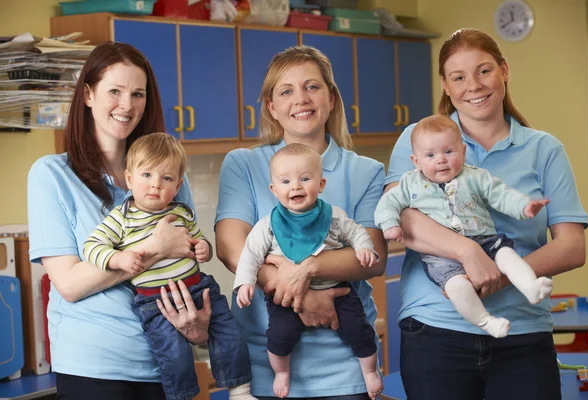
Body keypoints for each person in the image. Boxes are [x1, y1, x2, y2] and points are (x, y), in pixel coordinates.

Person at [385, 29, 588, 400]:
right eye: (458, 77)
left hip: (523, 333)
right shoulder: (418, 140)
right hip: (435, 327)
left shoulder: (544, 149)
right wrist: (469, 254)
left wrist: (503, 276)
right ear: (446, 86)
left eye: (484, 71)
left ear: (504, 71)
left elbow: (573, 247)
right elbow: (403, 219)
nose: (473, 86)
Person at [27, 42, 211, 400]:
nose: (127, 106)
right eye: (115, 91)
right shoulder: (51, 175)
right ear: (88, 95)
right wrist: (155, 248)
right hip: (93, 366)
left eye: (138, 94)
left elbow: (187, 262)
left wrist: (200, 325)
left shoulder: (170, 176)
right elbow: (70, 284)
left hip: (167, 358)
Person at [215, 45, 388, 400]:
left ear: (331, 98)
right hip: (264, 365)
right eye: (286, 91)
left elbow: (373, 256)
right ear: (271, 107)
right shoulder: (243, 164)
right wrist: (295, 292)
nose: (301, 99)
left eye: (312, 86)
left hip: (345, 365)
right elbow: (231, 245)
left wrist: (306, 269)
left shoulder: (367, 171)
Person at [82, 132, 254, 400]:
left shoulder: (182, 212)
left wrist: (203, 248)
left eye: (166, 178)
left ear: (177, 185)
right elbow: (91, 247)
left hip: (198, 288)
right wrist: (118, 259)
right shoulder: (122, 218)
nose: (155, 185)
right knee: (174, 355)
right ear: (129, 179)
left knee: (229, 331)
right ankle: (182, 396)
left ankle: (240, 390)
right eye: (147, 175)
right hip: (154, 302)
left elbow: (198, 241)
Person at [375, 114, 553, 338]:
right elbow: (387, 204)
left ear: (463, 152)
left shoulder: (475, 177)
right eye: (430, 155)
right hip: (440, 256)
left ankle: (531, 287)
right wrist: (390, 225)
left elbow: (501, 195)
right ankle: (486, 321)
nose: (441, 159)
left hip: (484, 238)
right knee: (456, 287)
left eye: (448, 152)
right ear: (416, 161)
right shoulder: (410, 183)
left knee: (507, 255)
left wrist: (524, 207)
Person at [234, 143, 381, 399]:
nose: (296, 186)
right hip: (286, 298)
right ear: (274, 189)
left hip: (337, 289)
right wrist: (245, 282)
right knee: (279, 335)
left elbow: (357, 231)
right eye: (286, 181)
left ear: (321, 184)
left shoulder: (333, 216)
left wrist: (364, 247)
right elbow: (250, 255)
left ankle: (369, 371)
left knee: (359, 329)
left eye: (305, 179)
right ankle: (282, 372)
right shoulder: (268, 224)